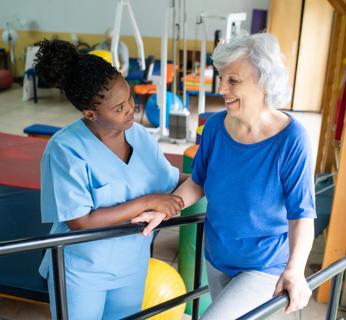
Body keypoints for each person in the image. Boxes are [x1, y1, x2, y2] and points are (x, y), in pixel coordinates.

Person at [133, 33, 316, 319]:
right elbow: (198, 181)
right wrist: (166, 209)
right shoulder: (216, 126)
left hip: (263, 265)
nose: (222, 88)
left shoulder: (291, 139)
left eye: (233, 80)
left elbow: (302, 213)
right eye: (221, 78)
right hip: (218, 256)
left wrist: (294, 269)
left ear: (264, 83)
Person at [34, 39, 185, 320]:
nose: (130, 109)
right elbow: (80, 221)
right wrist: (148, 201)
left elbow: (172, 179)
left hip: (131, 264)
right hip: (81, 269)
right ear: (90, 113)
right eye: (119, 108)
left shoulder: (139, 135)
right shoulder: (65, 149)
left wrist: (212, 176)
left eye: (129, 99)